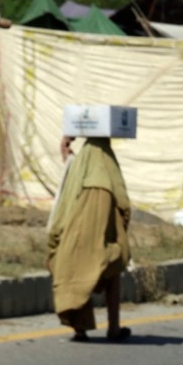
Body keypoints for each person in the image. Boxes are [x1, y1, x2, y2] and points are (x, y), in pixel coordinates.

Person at [48, 136, 131, 342]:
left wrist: (65, 150)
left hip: (73, 235)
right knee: (113, 270)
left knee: (76, 269)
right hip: (104, 235)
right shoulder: (108, 166)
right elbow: (123, 202)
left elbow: (67, 189)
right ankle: (114, 328)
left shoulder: (81, 164)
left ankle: (80, 329)